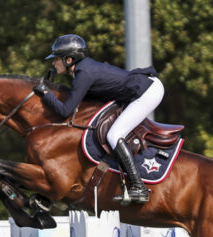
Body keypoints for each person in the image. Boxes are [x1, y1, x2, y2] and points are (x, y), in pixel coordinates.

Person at [32, 34, 163, 204]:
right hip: (139, 88)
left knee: (114, 135)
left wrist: (45, 93)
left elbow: (65, 111)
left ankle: (139, 187)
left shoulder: (84, 73)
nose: (53, 63)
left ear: (69, 59)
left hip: (147, 91)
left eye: (56, 59)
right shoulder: (82, 71)